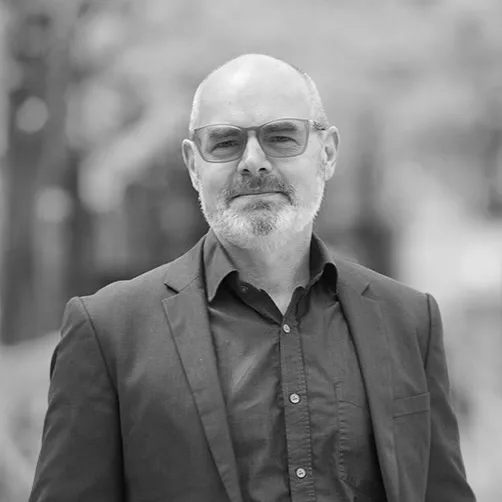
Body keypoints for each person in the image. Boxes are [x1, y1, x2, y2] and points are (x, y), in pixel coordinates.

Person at [29, 54, 476, 502]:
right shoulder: (109, 332)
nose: (254, 162)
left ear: (327, 153)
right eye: (225, 142)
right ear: (193, 165)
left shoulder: (409, 320)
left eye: (281, 137)